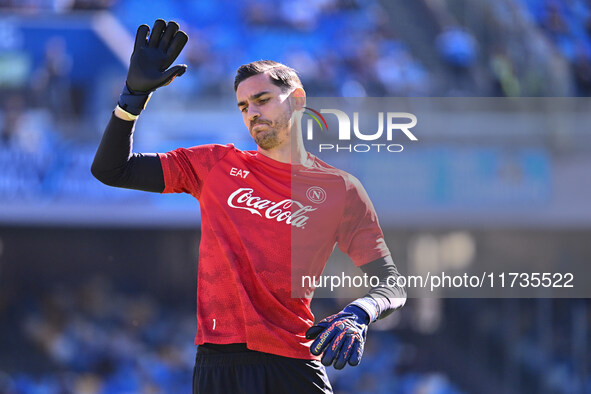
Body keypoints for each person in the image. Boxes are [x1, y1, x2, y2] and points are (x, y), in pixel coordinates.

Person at [91, 19, 406, 394]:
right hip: (217, 365)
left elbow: (392, 285)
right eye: (243, 106)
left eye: (262, 100)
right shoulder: (214, 164)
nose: (252, 112)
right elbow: (111, 169)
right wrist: (131, 99)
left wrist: (359, 314)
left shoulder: (340, 189)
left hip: (292, 362)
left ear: (298, 100)